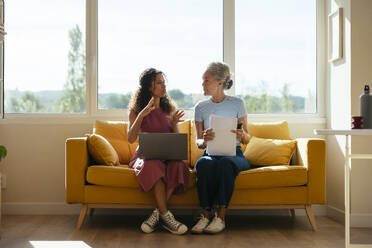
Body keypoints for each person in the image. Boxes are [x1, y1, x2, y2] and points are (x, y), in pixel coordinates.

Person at [191, 62, 251, 234]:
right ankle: (205, 215)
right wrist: (203, 139)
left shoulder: (237, 104)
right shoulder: (200, 107)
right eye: (203, 81)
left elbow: (247, 137)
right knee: (203, 164)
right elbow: (198, 141)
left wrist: (242, 135)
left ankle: (221, 217)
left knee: (226, 163)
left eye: (206, 81)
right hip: (210, 152)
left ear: (219, 83)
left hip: (235, 154)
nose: (203, 84)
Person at [127, 68, 189, 235]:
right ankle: (167, 217)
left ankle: (157, 214)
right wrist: (141, 115)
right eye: (159, 83)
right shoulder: (136, 110)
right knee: (153, 164)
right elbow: (131, 138)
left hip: (168, 155)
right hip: (146, 156)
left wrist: (175, 123)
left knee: (177, 165)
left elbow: (176, 140)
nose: (164, 86)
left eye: (164, 82)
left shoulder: (169, 109)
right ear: (149, 87)